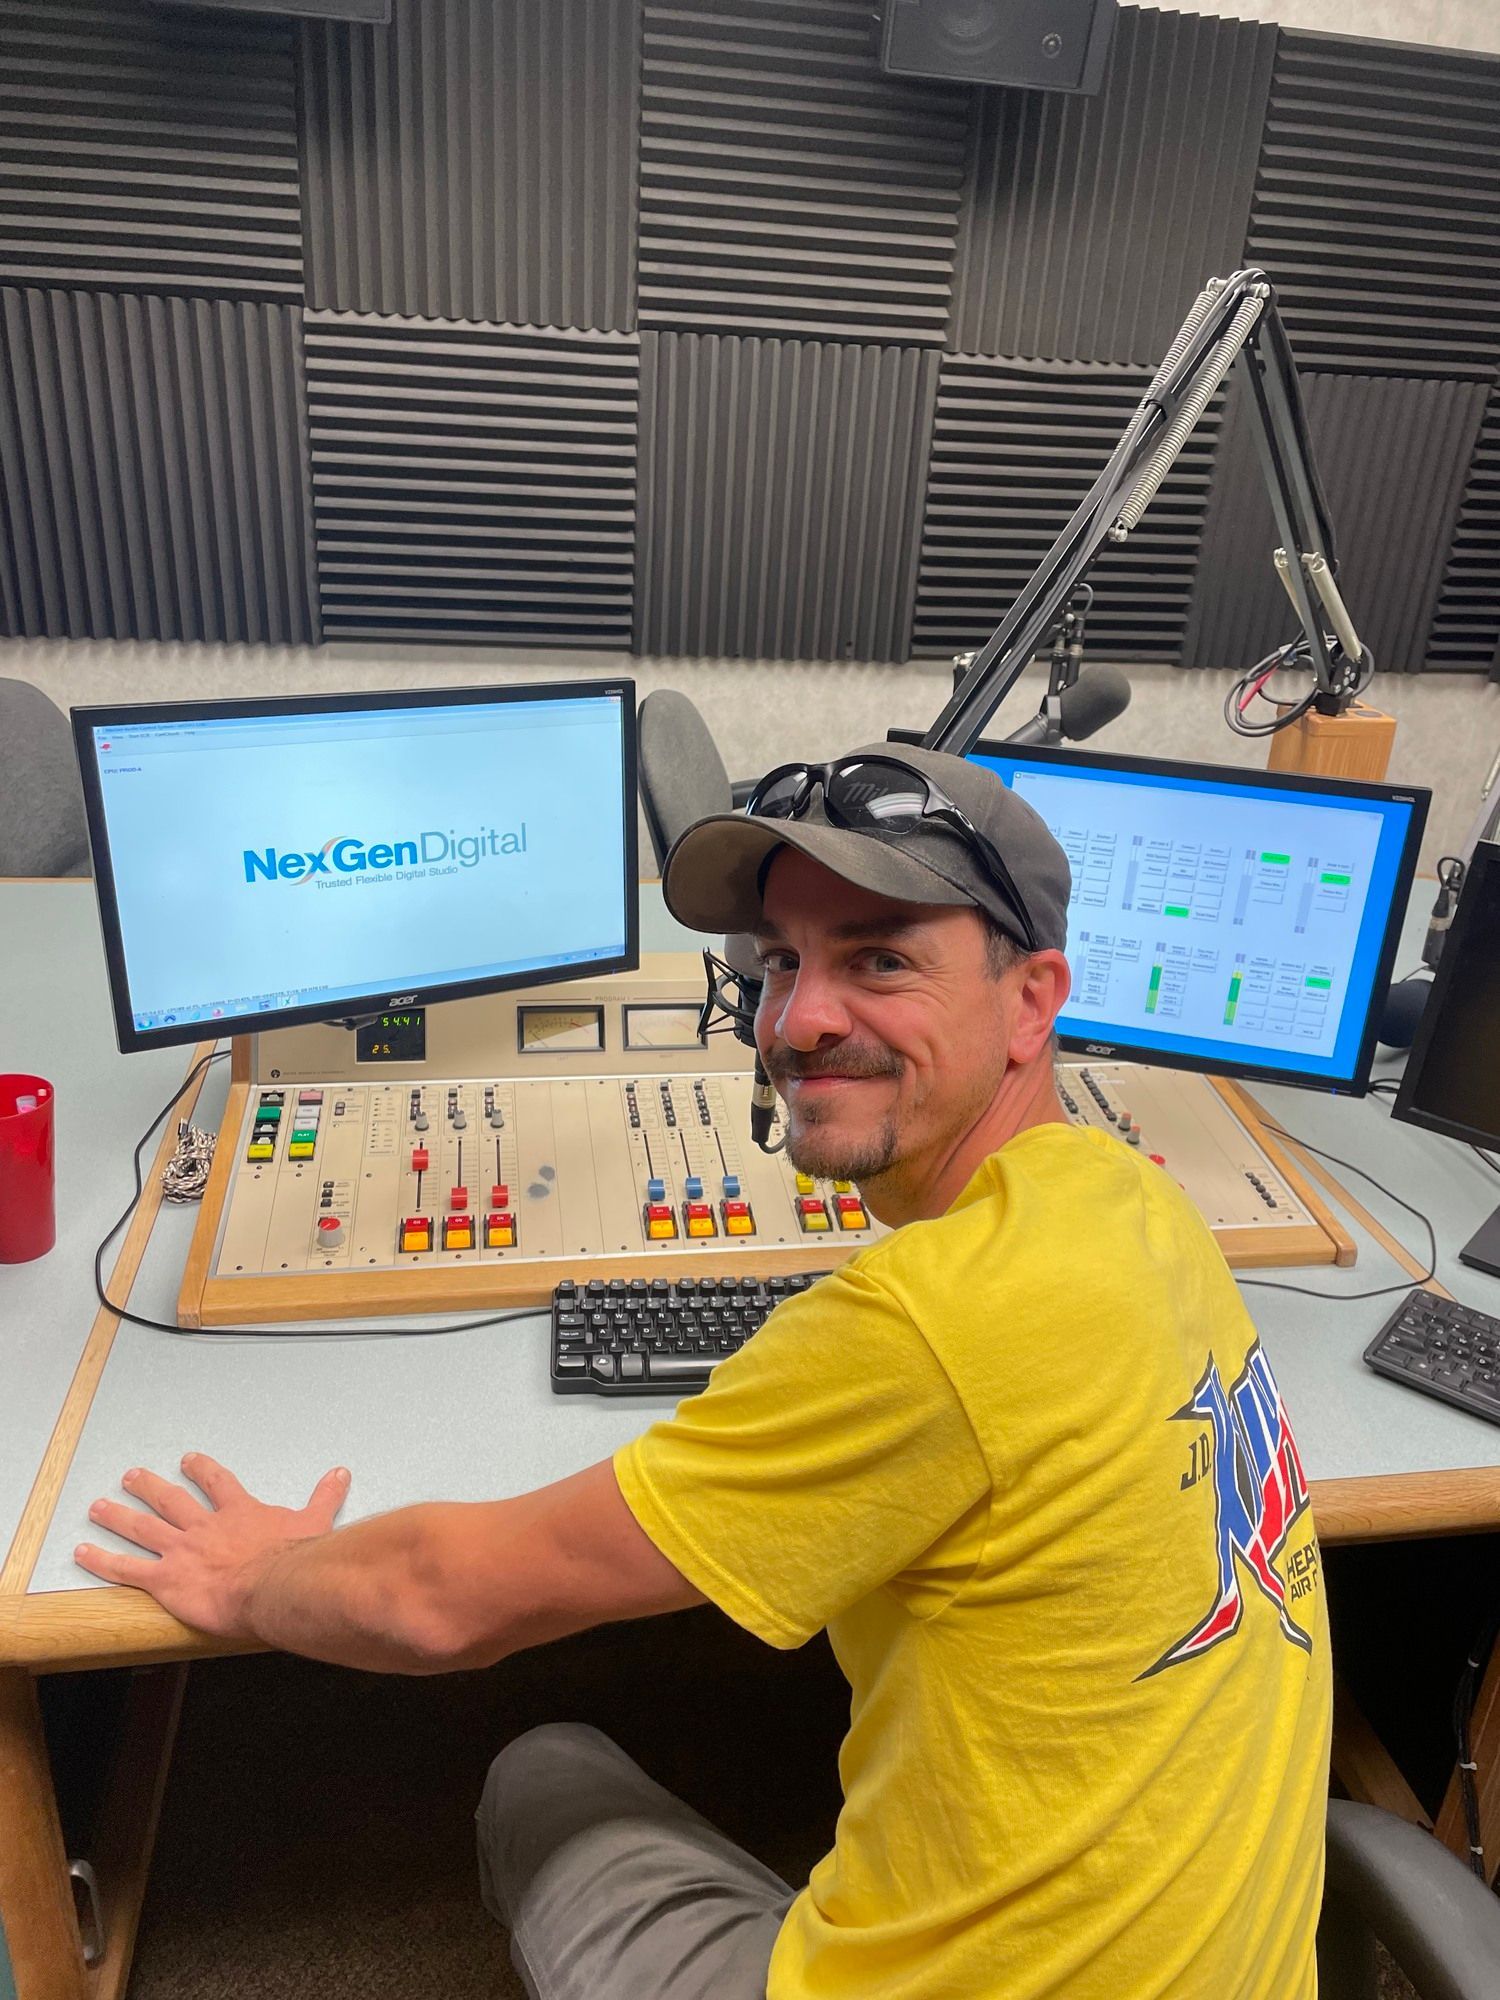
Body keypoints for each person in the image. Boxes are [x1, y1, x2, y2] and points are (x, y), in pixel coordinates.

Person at [75, 744, 1331, 2000]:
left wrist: (254, 1580)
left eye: (880, 956)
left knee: (541, 1768)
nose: (800, 1019)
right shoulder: (1141, 1203)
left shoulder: (923, 1323)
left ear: (1030, 999)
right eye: (782, 960)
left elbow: (436, 1601)